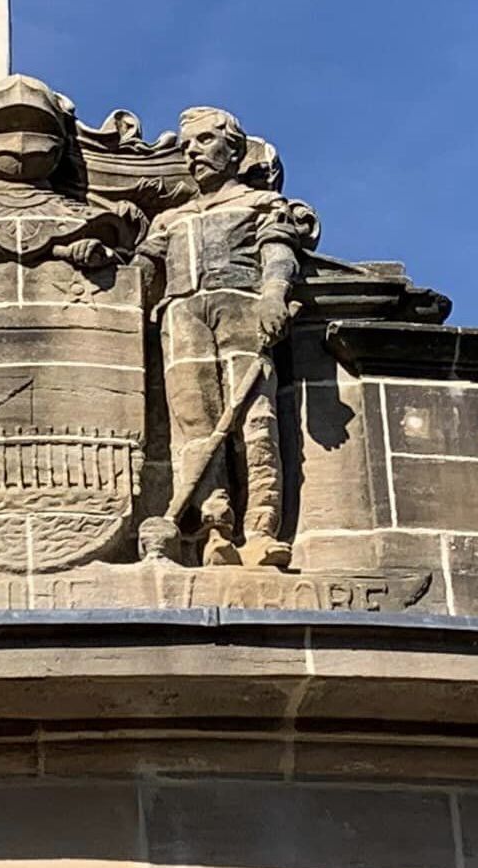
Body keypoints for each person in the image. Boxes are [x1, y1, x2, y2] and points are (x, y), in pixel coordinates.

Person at [139, 107, 318, 569]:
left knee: (254, 420)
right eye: (186, 146)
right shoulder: (170, 220)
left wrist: (274, 294)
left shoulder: (257, 204)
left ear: (232, 149)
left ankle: (259, 529)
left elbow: (278, 251)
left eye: (202, 141)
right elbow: (140, 275)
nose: (191, 153)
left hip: (240, 306)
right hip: (181, 314)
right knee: (194, 426)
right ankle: (214, 527)